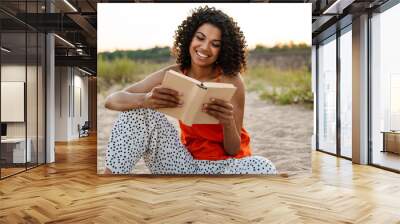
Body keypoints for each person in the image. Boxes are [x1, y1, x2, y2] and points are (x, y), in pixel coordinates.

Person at [103, 6, 276, 175]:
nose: (205, 48)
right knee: (137, 111)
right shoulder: (175, 73)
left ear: (222, 50)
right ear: (189, 39)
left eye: (215, 44)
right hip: (185, 165)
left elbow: (233, 149)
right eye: (200, 38)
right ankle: (110, 181)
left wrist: (228, 123)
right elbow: (112, 100)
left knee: (264, 166)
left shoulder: (232, 80)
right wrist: (145, 100)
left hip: (227, 167)